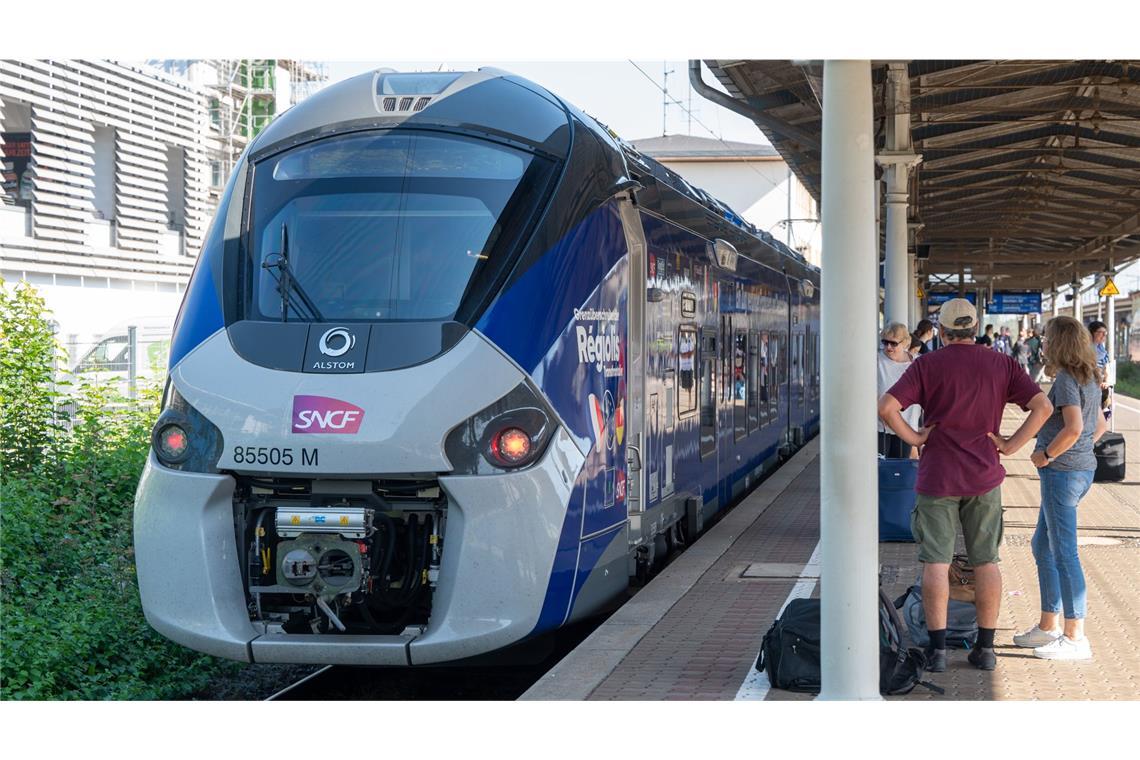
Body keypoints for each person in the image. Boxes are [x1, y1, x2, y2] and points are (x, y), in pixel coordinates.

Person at [879, 298, 1053, 672]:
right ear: (975, 330)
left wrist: (916, 437)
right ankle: (985, 650)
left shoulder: (927, 363)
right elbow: (1043, 407)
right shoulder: (1002, 363)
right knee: (986, 562)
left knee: (936, 564)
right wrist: (1010, 445)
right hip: (984, 477)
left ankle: (938, 652)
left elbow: (886, 407)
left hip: (937, 477)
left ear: (941, 332)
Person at [1012, 316, 1106, 661]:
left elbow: (1075, 426)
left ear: (1060, 343)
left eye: (1048, 338)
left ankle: (1075, 636)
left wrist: (1047, 454)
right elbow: (1100, 424)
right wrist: (1080, 451)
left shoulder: (1067, 379)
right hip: (1080, 471)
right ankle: (1048, 625)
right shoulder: (1090, 376)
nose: (1044, 343)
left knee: (1064, 552)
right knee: (1042, 545)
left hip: (1062, 473)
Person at [877, 322, 921, 458]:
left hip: (906, 429)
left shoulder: (917, 363)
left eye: (893, 343)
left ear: (906, 343)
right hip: (880, 428)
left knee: (901, 471)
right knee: (880, 471)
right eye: (885, 342)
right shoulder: (876, 361)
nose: (888, 347)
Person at [1087, 320, 1111, 416]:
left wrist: (1106, 381)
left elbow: (1106, 367)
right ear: (1091, 333)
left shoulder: (1102, 349)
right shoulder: (1085, 349)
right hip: (1090, 385)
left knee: (1103, 412)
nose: (1104, 336)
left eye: (1105, 333)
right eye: (1100, 333)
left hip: (1101, 386)